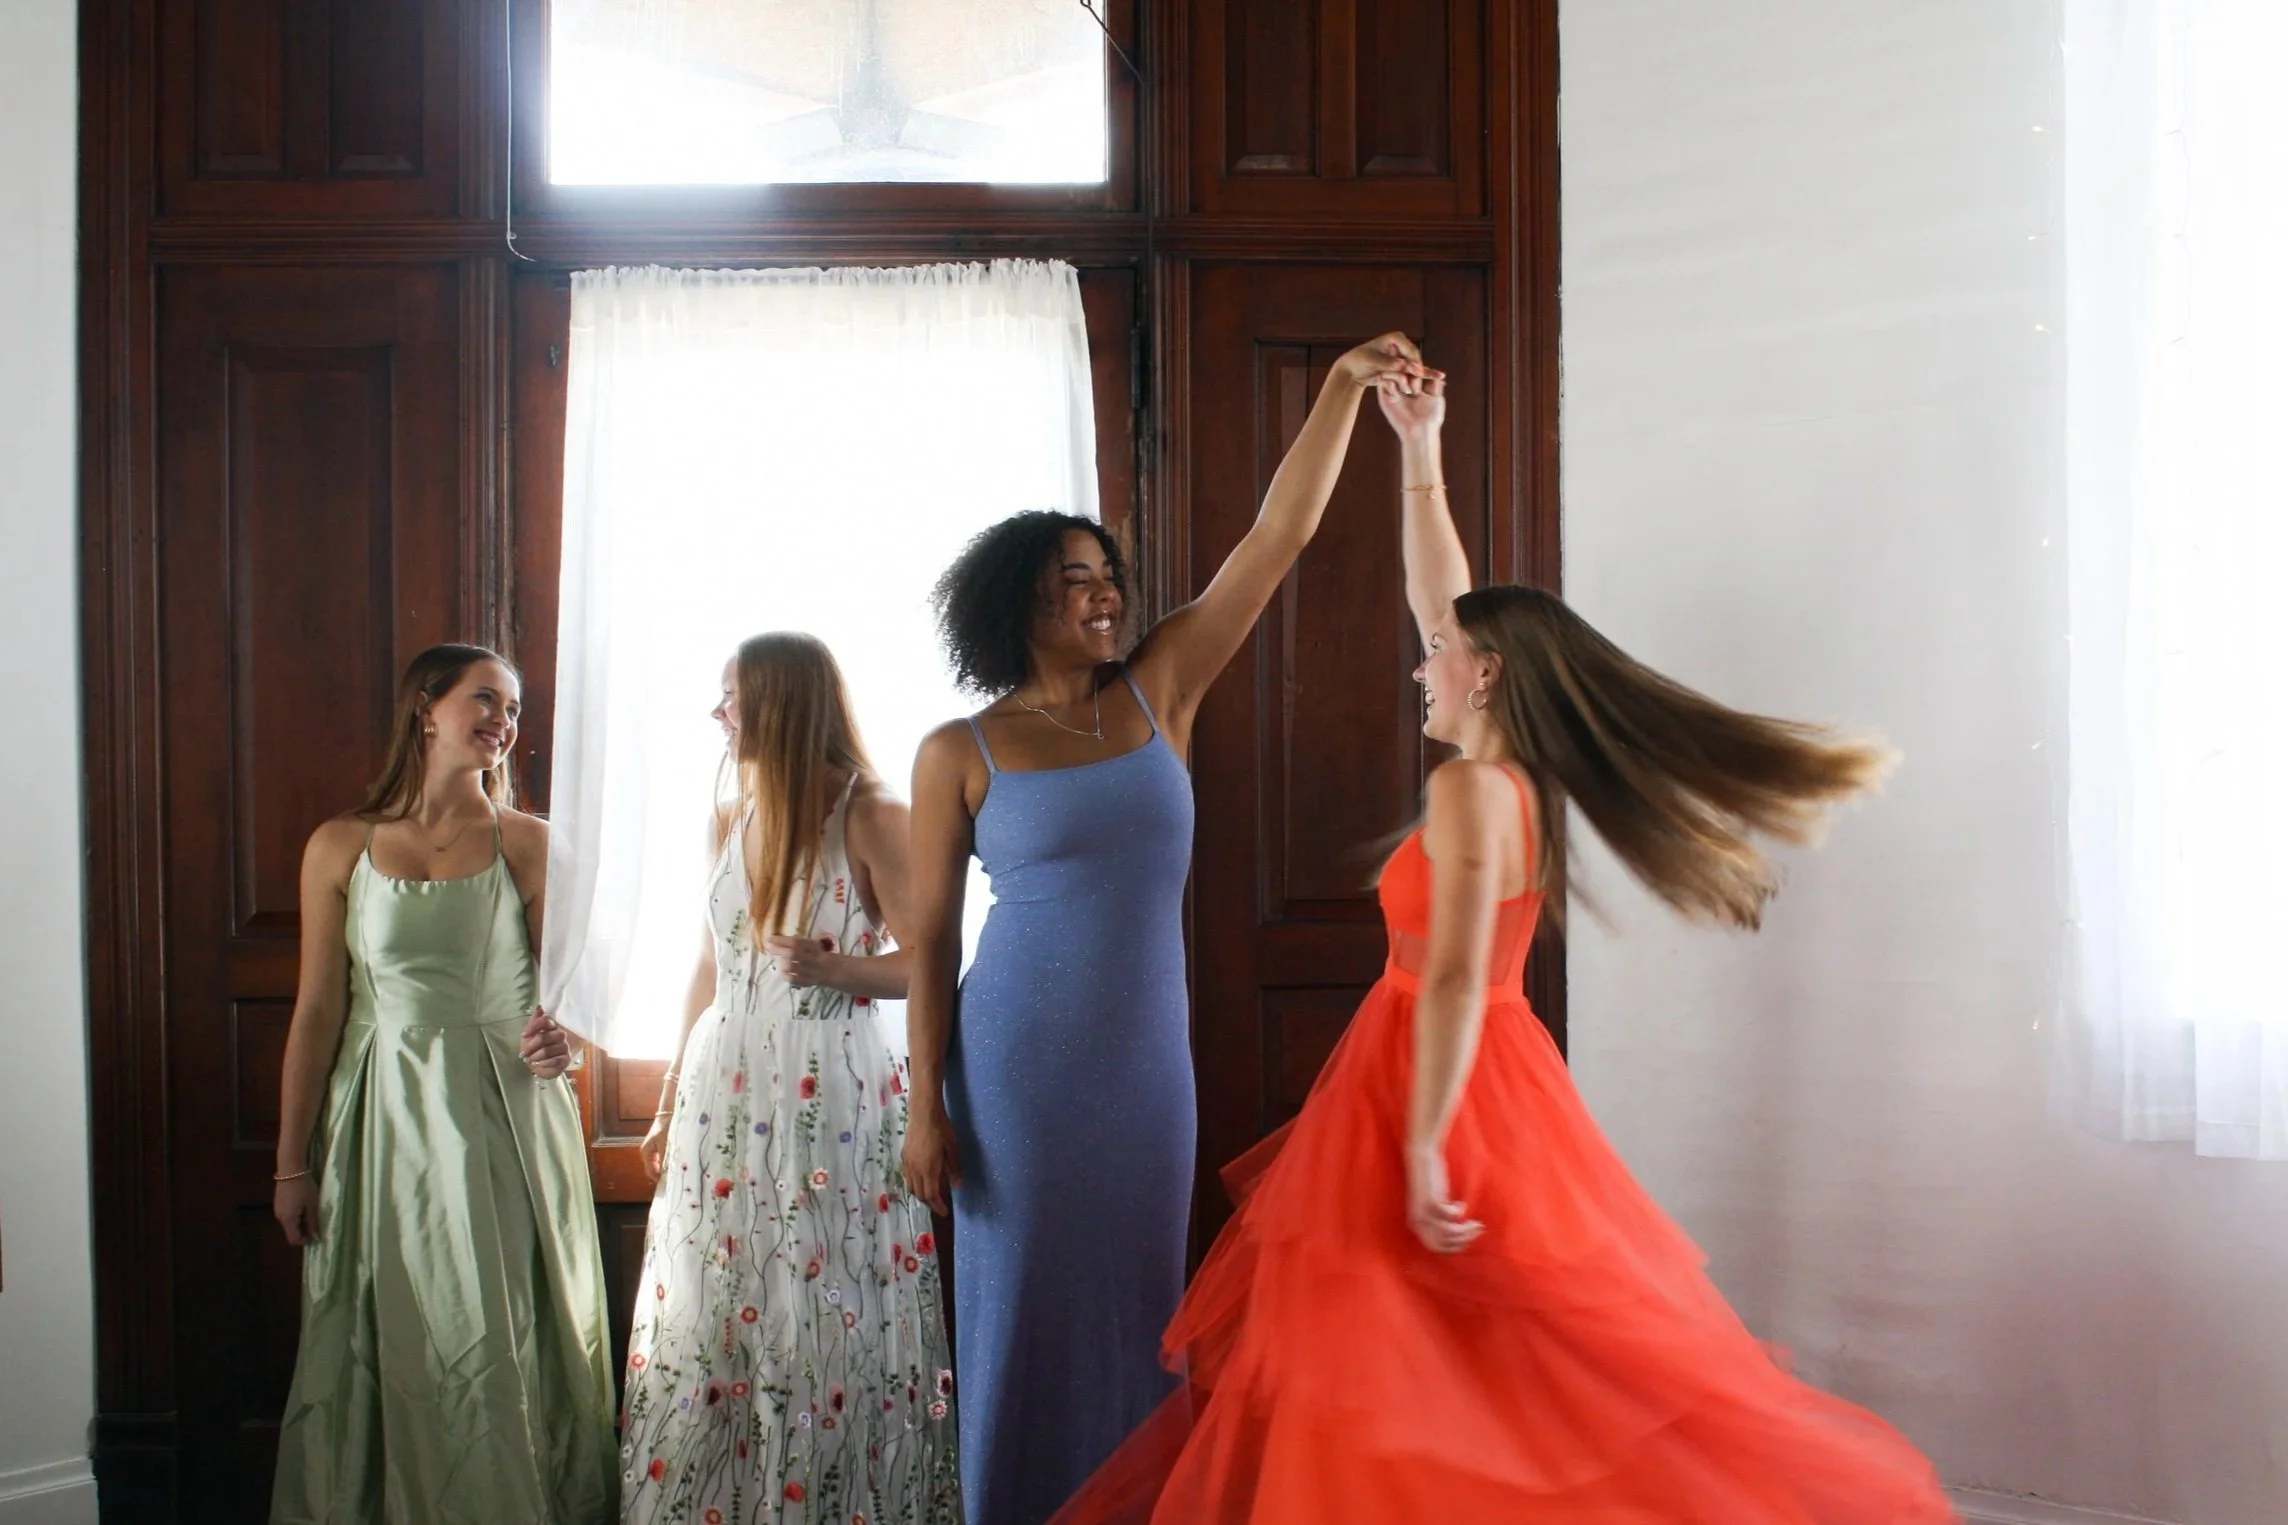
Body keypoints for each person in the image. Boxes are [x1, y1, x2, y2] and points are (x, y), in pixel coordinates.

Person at [1050, 370, 1955, 1522]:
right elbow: (1442, 596)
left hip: (1443, 1085)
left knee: (1443, 1354)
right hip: (1457, 1076)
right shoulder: (1505, 779)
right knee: (1450, 1355)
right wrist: (1419, 447)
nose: (1417, 661)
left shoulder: (1475, 791)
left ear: (1483, 674)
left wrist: (1425, 1145)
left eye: (1437, 653)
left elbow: (1449, 980)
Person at [898, 336, 1437, 1524]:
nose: (1104, 595)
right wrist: (923, 1105)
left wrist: (1341, 387)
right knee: (1022, 1307)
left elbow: (1275, 539)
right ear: (1018, 605)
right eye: (1074, 580)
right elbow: (929, 941)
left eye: (1107, 575)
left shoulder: (1159, 691)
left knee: (1142, 1306)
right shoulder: (957, 751)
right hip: (1014, 1072)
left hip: (1143, 1070)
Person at [270, 643, 616, 1525]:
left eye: (514, 708)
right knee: (377, 1330)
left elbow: (574, 1003)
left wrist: (562, 1045)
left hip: (501, 1113)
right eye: (486, 700)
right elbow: (316, 1010)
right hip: (378, 1118)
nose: (504, 721)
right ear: (426, 708)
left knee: (497, 1327)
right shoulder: (340, 844)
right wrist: (290, 1163)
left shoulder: (532, 844)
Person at [620, 633, 960, 1525]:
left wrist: (837, 968)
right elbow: (710, 962)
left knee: (825, 1295)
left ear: (782, 700)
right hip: (726, 1087)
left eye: (733, 696)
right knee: (724, 1303)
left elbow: (931, 960)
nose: (720, 714)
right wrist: (668, 1095)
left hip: (828, 1086)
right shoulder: (728, 817)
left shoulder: (870, 813)